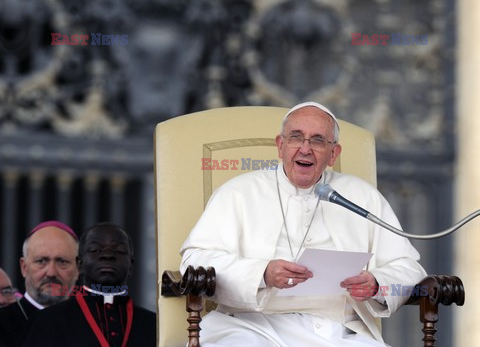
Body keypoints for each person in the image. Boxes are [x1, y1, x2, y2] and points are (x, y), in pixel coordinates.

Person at [179, 102, 427, 346]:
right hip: (249, 326)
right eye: (296, 137)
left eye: (318, 140)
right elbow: (194, 260)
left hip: (337, 331)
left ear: (333, 154)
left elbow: (408, 268)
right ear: (280, 145)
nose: (305, 149)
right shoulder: (237, 193)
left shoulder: (362, 196)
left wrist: (377, 284)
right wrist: (261, 273)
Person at [22, 222, 156, 347]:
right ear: (79, 264)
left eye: (119, 251)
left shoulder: (154, 324)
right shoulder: (46, 322)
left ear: (131, 265)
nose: (107, 255)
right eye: (95, 250)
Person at [0, 221, 79, 347]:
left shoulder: (91, 323)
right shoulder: (3, 323)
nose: (51, 273)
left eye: (62, 262)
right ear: (24, 267)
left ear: (78, 269)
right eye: (41, 261)